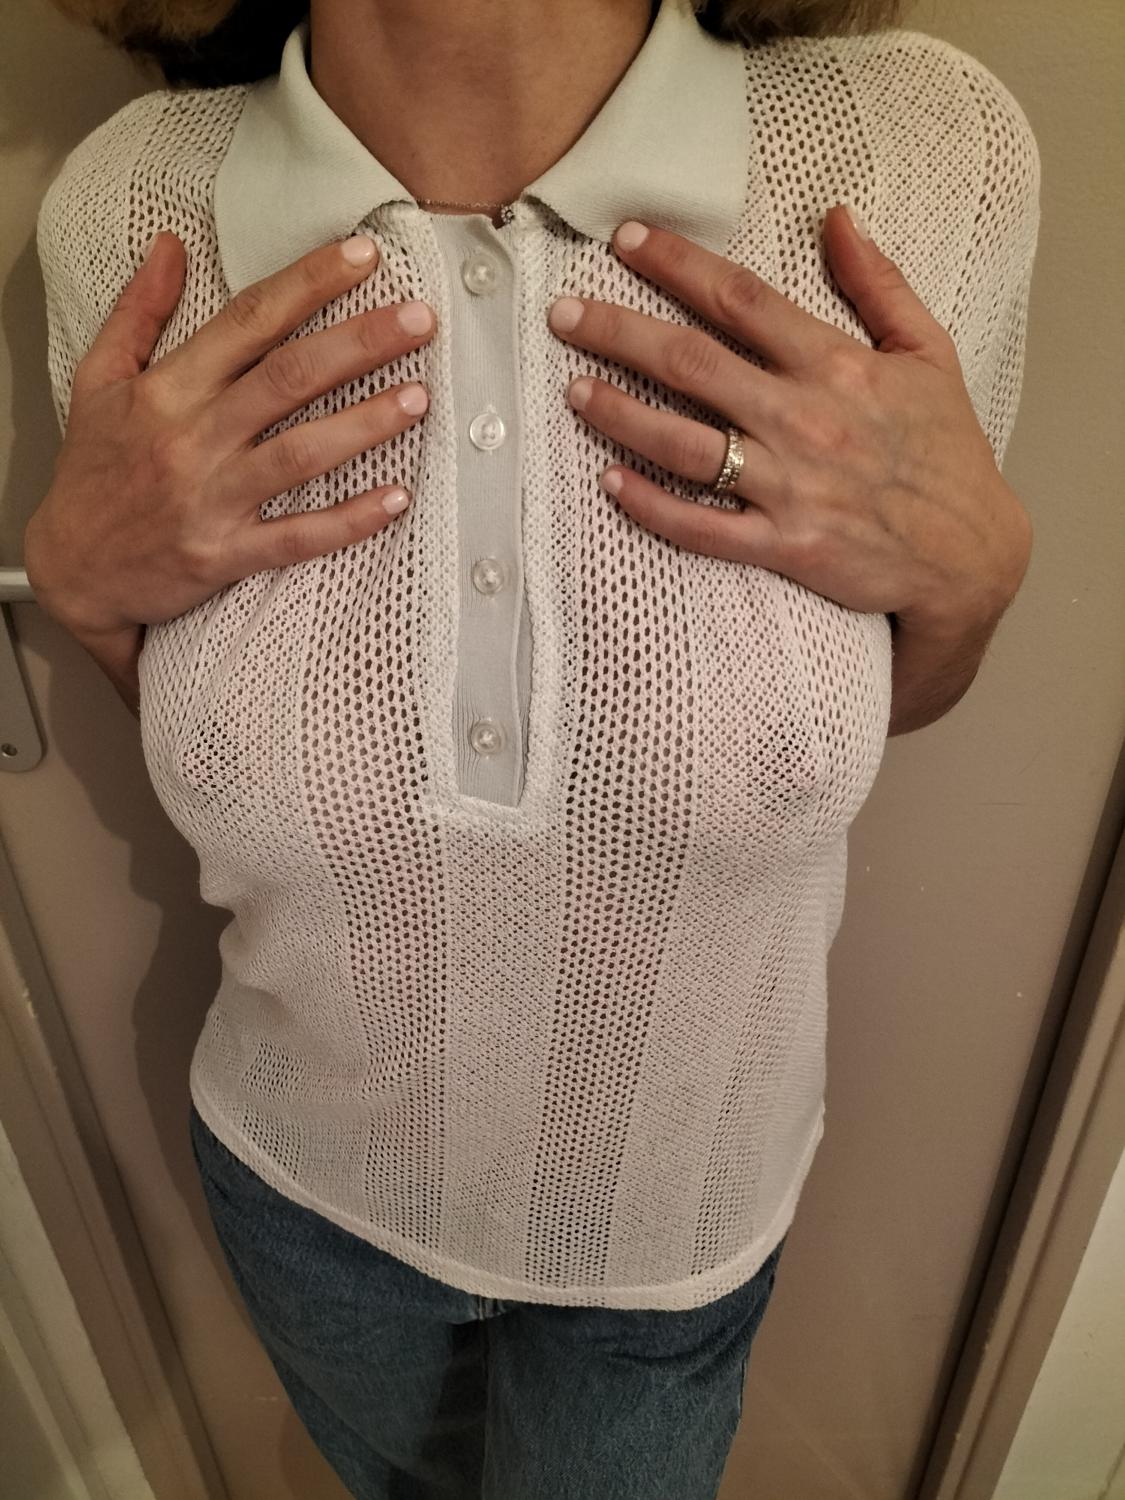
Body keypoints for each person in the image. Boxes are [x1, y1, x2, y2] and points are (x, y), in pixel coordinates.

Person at [25, 0, 1039, 1494]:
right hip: (305, 1197)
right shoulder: (126, 204)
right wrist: (78, 587)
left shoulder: (921, 150)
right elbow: (203, 717)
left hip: (674, 1231)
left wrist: (979, 581)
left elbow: (869, 700)